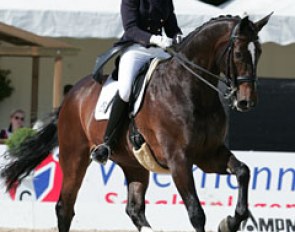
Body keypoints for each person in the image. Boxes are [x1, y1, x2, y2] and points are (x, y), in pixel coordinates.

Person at [91, 0, 182, 164]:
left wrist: (178, 36)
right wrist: (154, 38)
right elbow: (131, 29)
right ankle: (107, 143)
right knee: (125, 90)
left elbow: (172, 28)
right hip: (135, 49)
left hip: (158, 51)